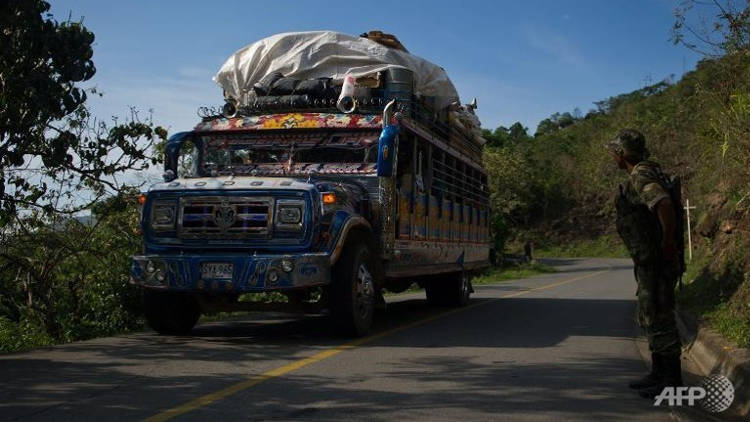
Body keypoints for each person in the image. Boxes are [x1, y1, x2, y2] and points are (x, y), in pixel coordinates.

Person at [606, 129, 683, 399]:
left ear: (624, 153)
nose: (613, 155)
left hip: (657, 260)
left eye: (615, 150)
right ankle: (658, 373)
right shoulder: (646, 171)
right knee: (650, 314)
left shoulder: (641, 174)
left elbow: (662, 203)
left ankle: (671, 381)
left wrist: (668, 243)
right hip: (650, 259)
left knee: (659, 316)